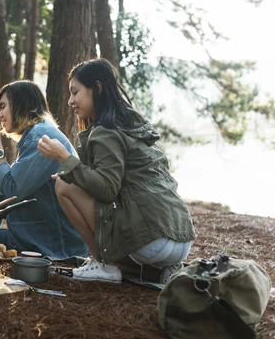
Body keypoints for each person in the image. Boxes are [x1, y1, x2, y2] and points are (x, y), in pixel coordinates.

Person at [37, 58, 195, 283]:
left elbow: (107, 189)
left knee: (63, 186)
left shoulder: (105, 130)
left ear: (98, 88)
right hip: (180, 239)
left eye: (75, 92)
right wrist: (73, 170)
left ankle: (105, 264)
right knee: (69, 179)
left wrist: (64, 158)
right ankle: (159, 272)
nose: (71, 101)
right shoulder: (132, 123)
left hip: (153, 241)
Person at [0, 80, 88, 260]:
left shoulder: (39, 136)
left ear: (20, 106)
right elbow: (11, 180)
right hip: (47, 228)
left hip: (54, 241)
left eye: (4, 107)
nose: (0, 115)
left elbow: (11, 188)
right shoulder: (37, 132)